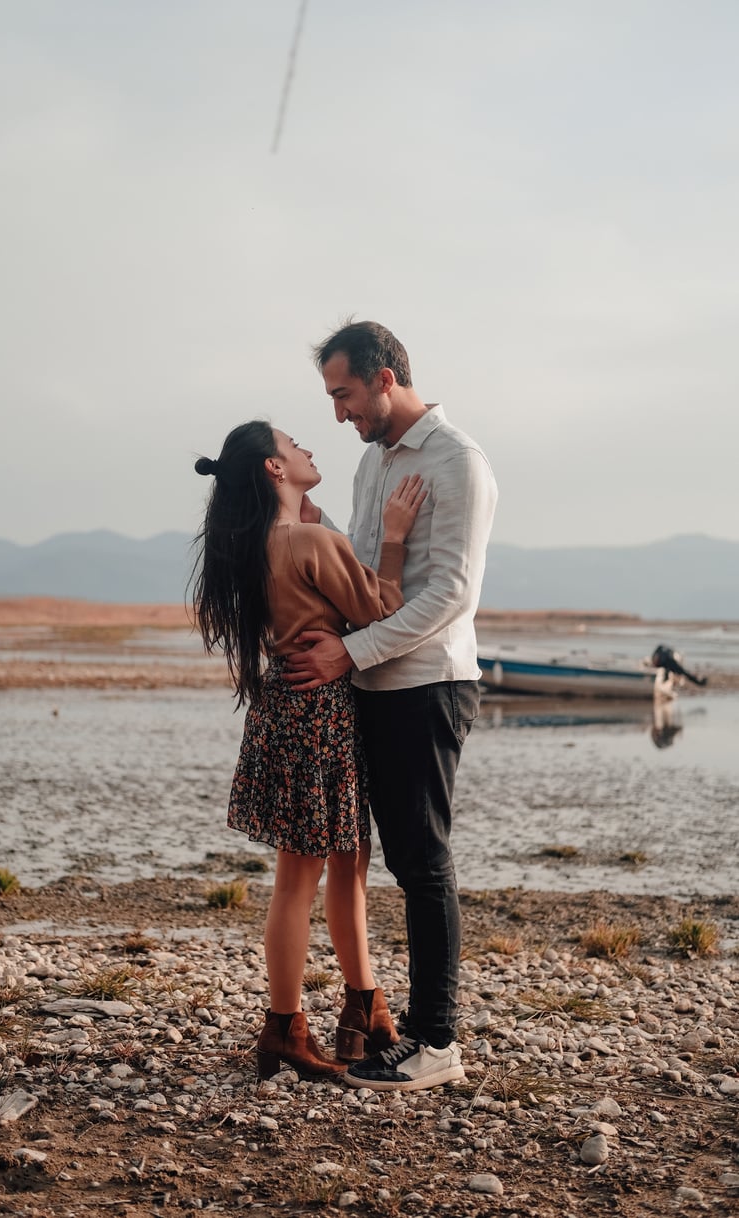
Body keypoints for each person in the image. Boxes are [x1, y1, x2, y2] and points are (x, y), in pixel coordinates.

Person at [285, 320, 498, 1092]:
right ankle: (401, 1030)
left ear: (385, 377)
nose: (339, 414)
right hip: (374, 684)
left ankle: (437, 1043)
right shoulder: (375, 463)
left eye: (343, 394)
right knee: (385, 861)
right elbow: (378, 576)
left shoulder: (458, 462)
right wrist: (321, 534)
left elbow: (450, 596)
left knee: (422, 860)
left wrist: (350, 652)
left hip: (427, 685)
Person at [191, 419, 425, 1080]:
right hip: (321, 711)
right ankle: (285, 1029)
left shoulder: (263, 542)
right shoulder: (308, 540)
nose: (309, 449)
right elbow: (381, 607)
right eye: (295, 444)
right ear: (274, 467)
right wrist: (396, 538)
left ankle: (366, 1010)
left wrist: (333, 534)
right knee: (314, 876)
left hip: (288, 705)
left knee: (341, 864)